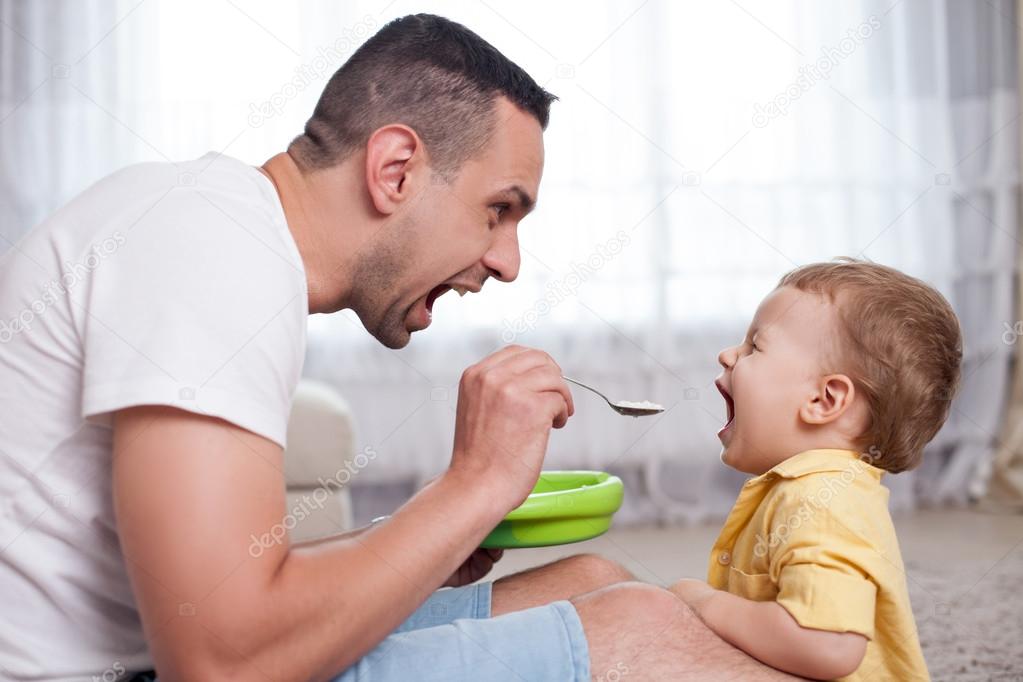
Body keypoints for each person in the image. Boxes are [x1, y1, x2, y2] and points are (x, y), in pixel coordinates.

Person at [0, 14, 798, 680]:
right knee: (640, 629)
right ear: (394, 169)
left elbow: (226, 592)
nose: (507, 261)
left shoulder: (215, 225)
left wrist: (425, 539)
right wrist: (475, 485)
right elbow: (220, 661)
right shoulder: (213, 247)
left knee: (593, 581)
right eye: (498, 210)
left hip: (136, 653)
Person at [671, 259, 962, 680]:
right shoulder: (807, 488)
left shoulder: (823, 500)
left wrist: (704, 604)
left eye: (755, 346)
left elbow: (827, 644)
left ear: (825, 401)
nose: (727, 354)